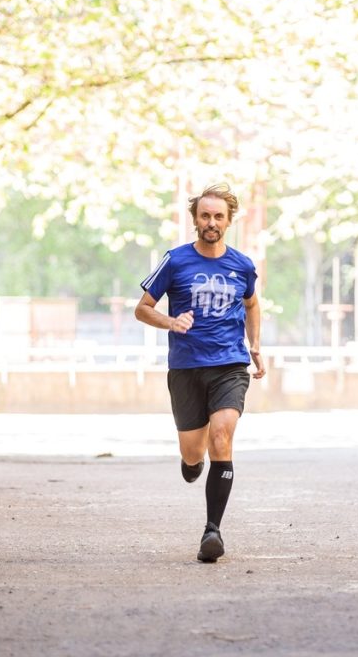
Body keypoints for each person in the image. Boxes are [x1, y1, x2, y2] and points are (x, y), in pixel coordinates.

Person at [135, 183, 265, 563]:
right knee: (194, 453)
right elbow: (142, 308)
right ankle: (192, 463)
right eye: (205, 216)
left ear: (229, 221)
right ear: (195, 220)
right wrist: (171, 321)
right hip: (187, 369)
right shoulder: (175, 261)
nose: (212, 222)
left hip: (229, 365)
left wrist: (254, 345)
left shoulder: (242, 265)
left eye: (218, 216)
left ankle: (213, 532)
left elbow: (253, 304)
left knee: (222, 436)